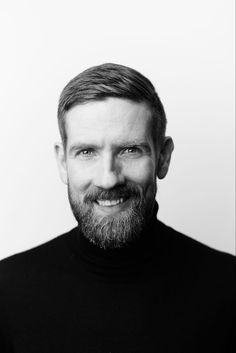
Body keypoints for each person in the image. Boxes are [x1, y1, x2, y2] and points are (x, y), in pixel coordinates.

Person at [0, 63, 235, 353]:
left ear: (163, 158)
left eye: (130, 150)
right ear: (63, 163)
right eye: (87, 152)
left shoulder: (228, 288)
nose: (108, 178)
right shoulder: (7, 292)